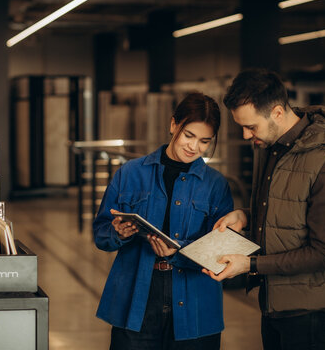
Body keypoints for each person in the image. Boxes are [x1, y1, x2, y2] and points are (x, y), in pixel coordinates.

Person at [203, 68, 325, 350]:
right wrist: (246, 216)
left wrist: (249, 264)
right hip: (276, 299)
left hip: (312, 308)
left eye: (251, 126)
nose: (244, 135)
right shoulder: (273, 146)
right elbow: (289, 212)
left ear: (277, 113)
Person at [93, 92, 234, 350]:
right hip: (137, 299)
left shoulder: (216, 186)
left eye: (204, 141)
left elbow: (221, 252)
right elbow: (100, 234)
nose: (194, 147)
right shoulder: (129, 174)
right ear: (173, 125)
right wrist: (118, 234)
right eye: (188, 135)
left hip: (196, 304)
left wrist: (176, 252)